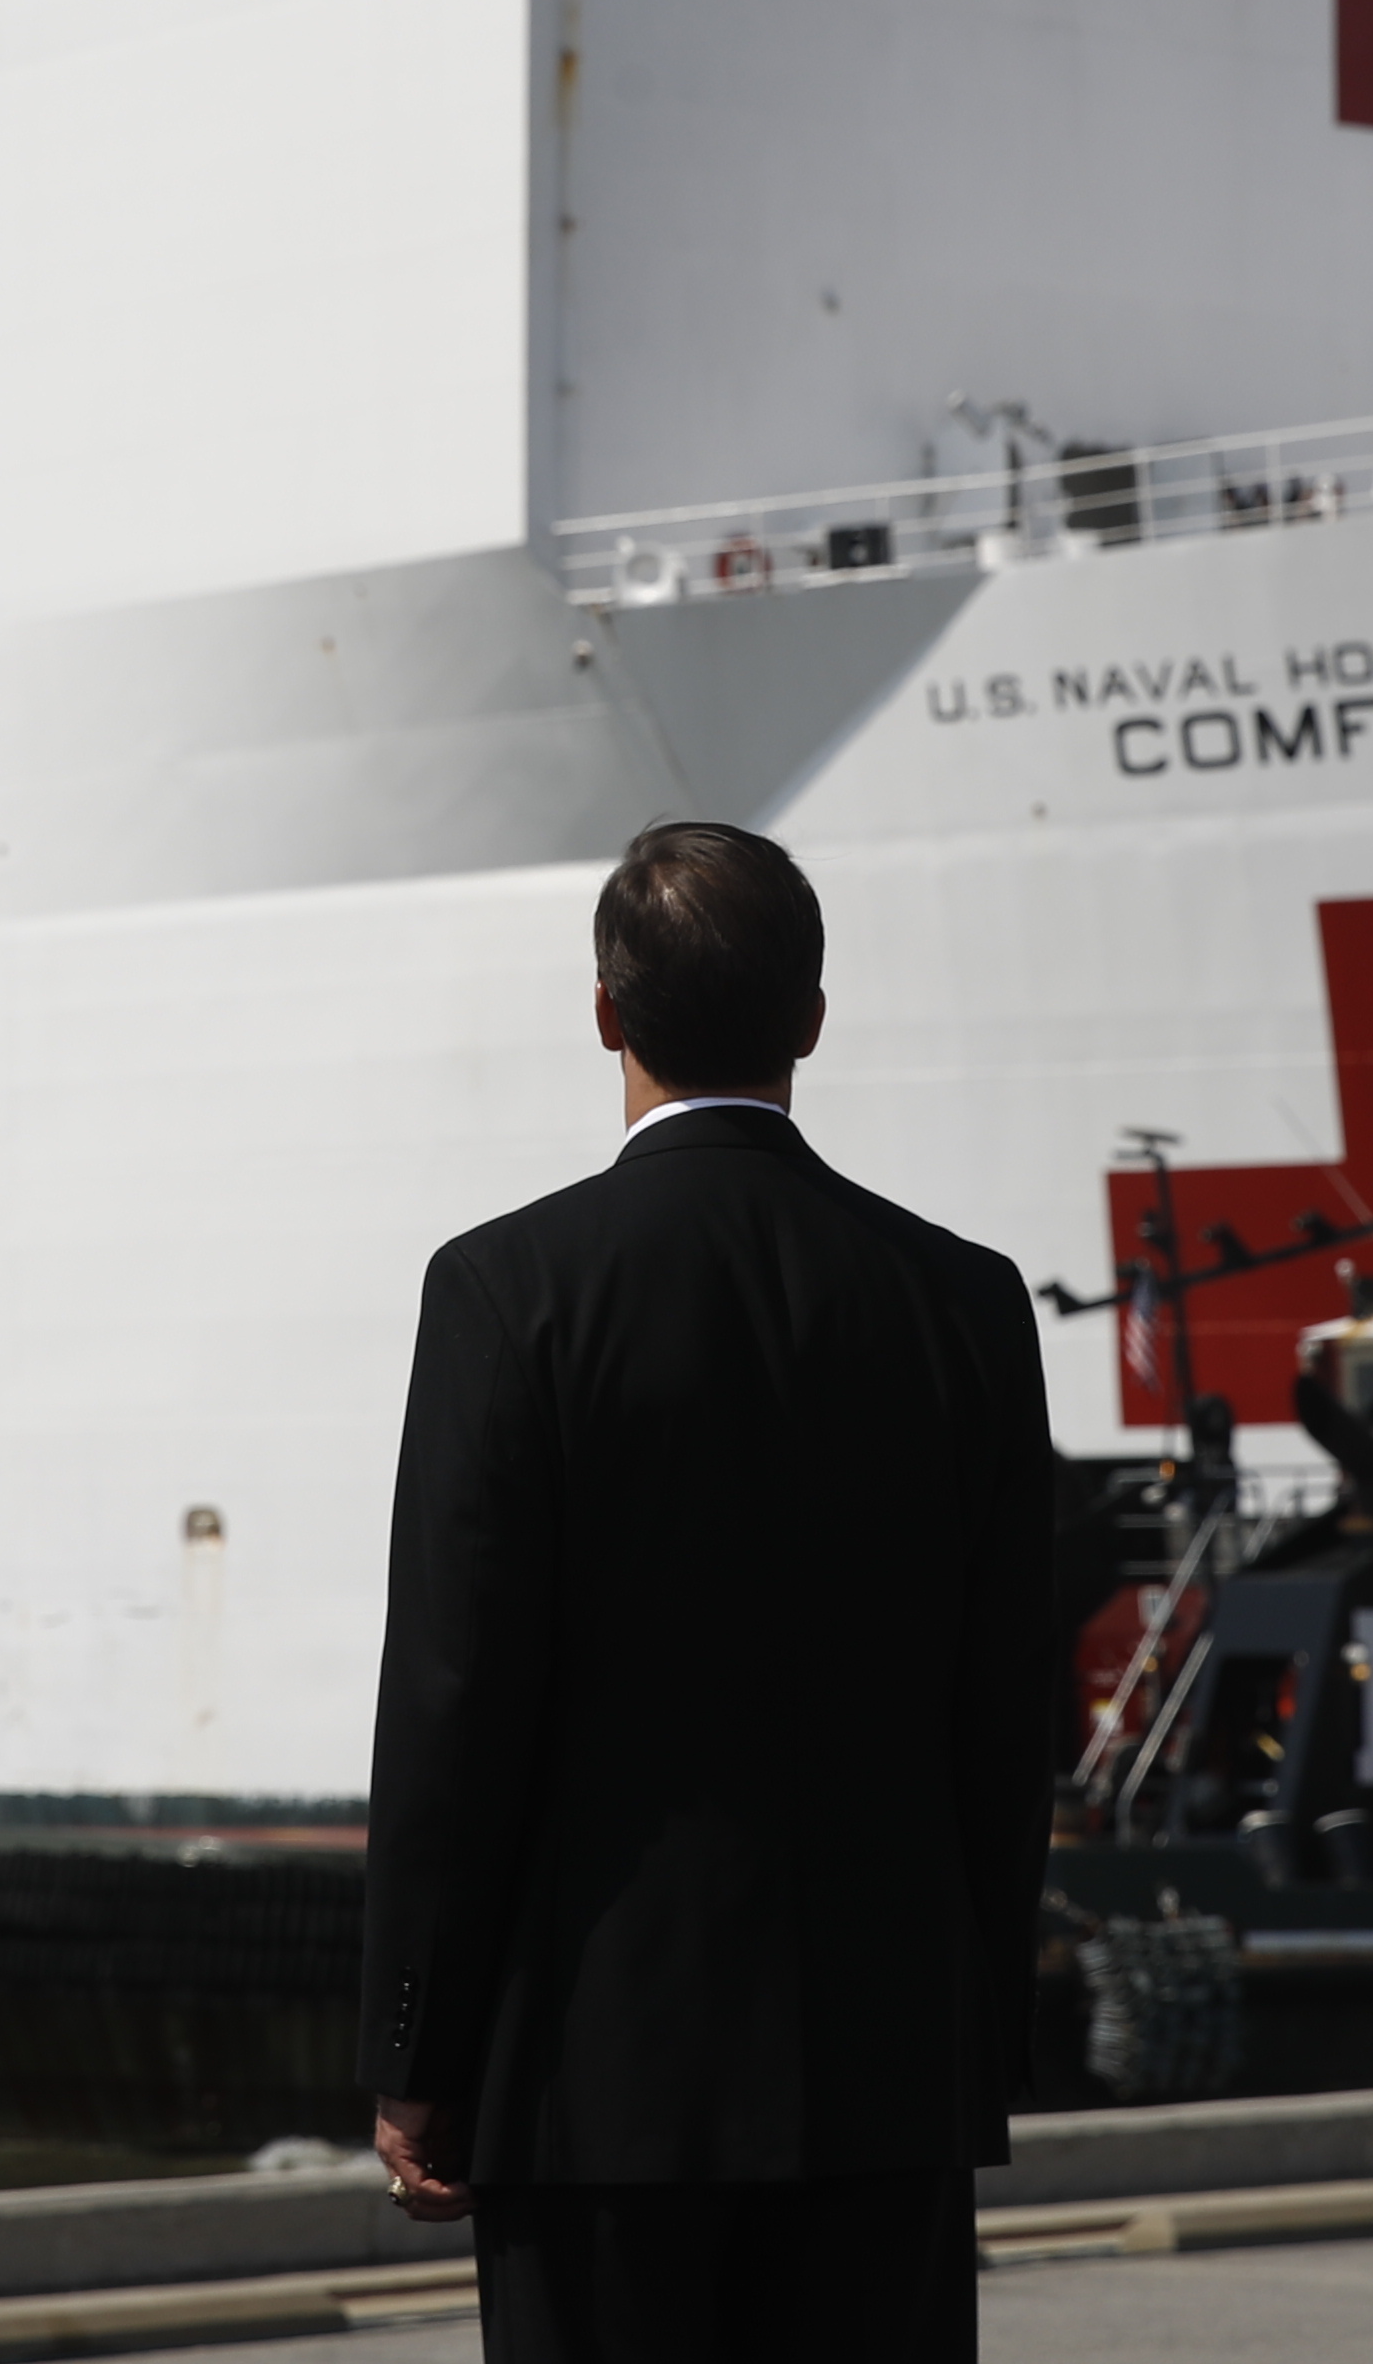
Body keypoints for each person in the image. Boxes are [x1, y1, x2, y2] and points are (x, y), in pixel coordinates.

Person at [360, 823, 1050, 2362]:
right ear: (812, 1017)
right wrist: (973, 2028)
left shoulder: (505, 1290)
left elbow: (455, 1702)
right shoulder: (966, 1298)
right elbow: (1011, 1708)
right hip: (890, 2061)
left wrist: (417, 2047)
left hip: (593, 2076)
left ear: (606, 1013)